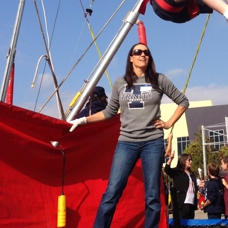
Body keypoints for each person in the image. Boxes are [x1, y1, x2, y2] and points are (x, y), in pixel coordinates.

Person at [68, 43, 189, 228]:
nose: (143, 54)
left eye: (146, 52)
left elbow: (183, 101)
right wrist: (82, 121)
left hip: (152, 142)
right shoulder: (120, 83)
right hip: (127, 142)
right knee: (112, 191)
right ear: (131, 57)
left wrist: (168, 123)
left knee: (152, 196)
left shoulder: (159, 79)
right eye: (138, 52)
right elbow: (109, 112)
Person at [164, 153, 198, 219]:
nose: (191, 162)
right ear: (183, 160)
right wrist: (170, 159)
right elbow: (167, 170)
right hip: (182, 201)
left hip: (191, 201)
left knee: (190, 222)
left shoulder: (192, 173)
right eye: (189, 160)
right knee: (182, 221)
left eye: (191, 160)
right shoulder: (178, 171)